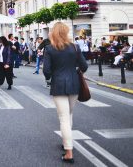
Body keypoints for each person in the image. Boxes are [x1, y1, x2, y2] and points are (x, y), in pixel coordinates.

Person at [43, 22, 88, 164]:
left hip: (59, 85)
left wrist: (50, 76)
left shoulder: (50, 48)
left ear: (53, 33)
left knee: (64, 118)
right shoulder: (75, 47)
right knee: (69, 115)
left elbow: (47, 71)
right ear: (66, 32)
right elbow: (84, 66)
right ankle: (66, 141)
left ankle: (69, 152)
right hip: (74, 84)